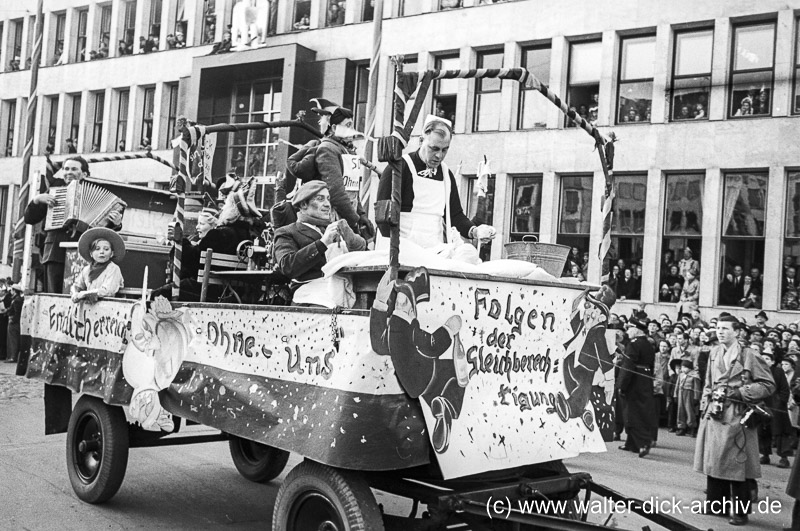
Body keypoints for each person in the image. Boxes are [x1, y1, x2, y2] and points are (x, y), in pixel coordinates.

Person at [694, 315, 775, 526]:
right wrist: (705, 406)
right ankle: (716, 505)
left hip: (738, 415)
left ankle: (740, 511)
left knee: (738, 465)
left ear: (737, 332)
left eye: (725, 329)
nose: (720, 332)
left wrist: (742, 392)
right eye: (718, 328)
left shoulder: (749, 355)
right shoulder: (714, 352)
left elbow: (768, 384)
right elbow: (708, 383)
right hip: (715, 413)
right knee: (714, 461)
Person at [377, 115, 496, 250]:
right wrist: (395, 249)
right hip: (402, 248)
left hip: (435, 249)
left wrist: (474, 231)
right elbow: (382, 217)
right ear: (421, 141)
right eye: (434, 148)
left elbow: (455, 215)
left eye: (445, 150)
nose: (439, 155)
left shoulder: (446, 174)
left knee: (468, 253)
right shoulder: (399, 169)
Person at [24, 156, 124, 294]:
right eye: (66, 169)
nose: (68, 172)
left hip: (83, 255)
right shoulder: (54, 192)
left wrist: (116, 224)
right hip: (55, 252)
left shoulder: (96, 195)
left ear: (84, 174)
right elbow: (29, 219)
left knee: (79, 292)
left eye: (74, 169)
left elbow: (101, 231)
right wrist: (36, 200)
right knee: (55, 294)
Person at [273, 181, 366, 308]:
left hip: (345, 290)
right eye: (320, 199)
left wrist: (351, 238)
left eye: (328, 199)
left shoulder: (336, 228)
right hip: (311, 295)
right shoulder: (287, 232)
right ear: (304, 204)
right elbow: (287, 266)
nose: (327, 204)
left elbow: (361, 254)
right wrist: (323, 243)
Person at [306, 101, 374, 240]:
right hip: (333, 221)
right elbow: (336, 192)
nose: (352, 129)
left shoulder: (342, 150)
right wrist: (355, 219)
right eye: (348, 125)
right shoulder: (328, 149)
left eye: (352, 125)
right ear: (335, 127)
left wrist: (361, 215)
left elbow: (351, 189)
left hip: (345, 219)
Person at [617, 316, 656, 457]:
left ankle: (643, 442)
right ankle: (631, 443)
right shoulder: (648, 344)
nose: (628, 331)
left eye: (630, 328)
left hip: (634, 380)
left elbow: (628, 366)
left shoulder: (633, 344)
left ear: (637, 330)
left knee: (632, 412)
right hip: (645, 379)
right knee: (641, 410)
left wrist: (621, 384)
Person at [70, 227, 126, 304]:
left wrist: (84, 294)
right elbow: (77, 285)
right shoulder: (86, 270)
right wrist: (75, 293)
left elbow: (108, 291)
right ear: (91, 253)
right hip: (90, 308)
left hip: (109, 307)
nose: (102, 252)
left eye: (106, 249)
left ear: (111, 253)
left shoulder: (113, 269)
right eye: (97, 249)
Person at [674, 359, 701, 436]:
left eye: (685, 367)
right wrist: (675, 395)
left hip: (689, 394)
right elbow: (677, 385)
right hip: (680, 393)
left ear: (690, 368)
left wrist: (696, 397)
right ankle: (681, 427)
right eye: (682, 367)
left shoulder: (695, 376)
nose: (683, 369)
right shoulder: (681, 375)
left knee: (689, 410)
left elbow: (697, 388)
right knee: (680, 410)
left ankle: (692, 427)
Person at [5, 284, 23, 364]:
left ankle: (13, 356)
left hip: (14, 322)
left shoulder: (17, 300)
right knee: (13, 339)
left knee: (13, 339)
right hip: (15, 322)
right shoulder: (18, 299)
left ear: (14, 291)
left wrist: (12, 320)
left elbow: (17, 312)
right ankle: (13, 356)